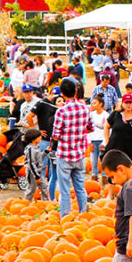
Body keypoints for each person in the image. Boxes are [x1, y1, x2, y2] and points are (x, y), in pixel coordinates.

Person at [48, 78, 91, 218]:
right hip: (79, 153)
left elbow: (55, 135)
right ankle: (84, 215)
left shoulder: (61, 112)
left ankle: (66, 217)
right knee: (80, 187)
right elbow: (90, 127)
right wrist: (79, 132)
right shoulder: (85, 108)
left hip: (65, 155)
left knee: (65, 189)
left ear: (62, 93)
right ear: (76, 91)